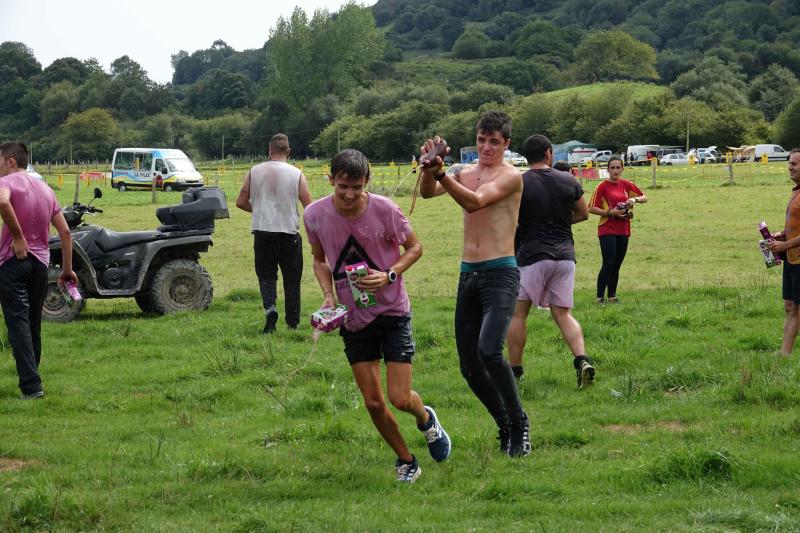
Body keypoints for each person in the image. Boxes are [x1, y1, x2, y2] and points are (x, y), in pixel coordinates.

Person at [303, 149, 451, 483]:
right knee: (372, 403)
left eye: (356, 186)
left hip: (392, 310)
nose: (350, 194)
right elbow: (319, 259)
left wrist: (389, 275)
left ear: (366, 181)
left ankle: (426, 418)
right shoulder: (314, 214)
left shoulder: (385, 209)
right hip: (354, 318)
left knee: (399, 398)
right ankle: (407, 460)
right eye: (343, 186)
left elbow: (415, 248)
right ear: (331, 180)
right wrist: (328, 294)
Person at [419, 110, 530, 458]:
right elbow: (426, 193)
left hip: (501, 272)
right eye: (482, 140)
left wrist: (441, 173)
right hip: (468, 273)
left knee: (488, 351)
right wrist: (428, 164)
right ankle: (505, 425)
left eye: (494, 142)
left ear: (506, 144)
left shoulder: (511, 176)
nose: (486, 147)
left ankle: (520, 425)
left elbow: (475, 201)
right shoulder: (462, 172)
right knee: (468, 365)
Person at [506, 134, 594, 388]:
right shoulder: (567, 179)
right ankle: (581, 360)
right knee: (563, 313)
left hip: (530, 255)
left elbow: (511, 219)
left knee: (518, 314)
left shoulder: (519, 183)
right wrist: (560, 222)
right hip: (565, 256)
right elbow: (584, 213)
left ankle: (515, 373)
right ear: (548, 153)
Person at [0, 141, 77, 399]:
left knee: (18, 324)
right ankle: (33, 377)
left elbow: (2, 202)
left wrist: (18, 236)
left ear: (10, 161)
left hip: (13, 261)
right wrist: (67, 269)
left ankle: (32, 387)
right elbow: (66, 233)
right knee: (33, 323)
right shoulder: (46, 188)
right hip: (41, 266)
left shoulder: (7, 183)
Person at [236, 134, 312, 333]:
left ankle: (270, 308)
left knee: (267, 276)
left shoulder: (254, 171)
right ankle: (293, 323)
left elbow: (241, 202)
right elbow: (309, 207)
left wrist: (261, 209)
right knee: (292, 278)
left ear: (269, 150)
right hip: (288, 233)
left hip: (263, 233)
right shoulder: (297, 174)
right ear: (288, 151)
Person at [588, 156, 648, 303]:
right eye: (612, 168)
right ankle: (599, 297)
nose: (615, 170)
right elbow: (590, 208)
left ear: (622, 169)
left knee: (617, 264)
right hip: (607, 228)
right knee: (608, 262)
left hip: (623, 228)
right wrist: (610, 213)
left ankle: (612, 296)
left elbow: (644, 197)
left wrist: (633, 200)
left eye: (618, 167)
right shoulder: (602, 186)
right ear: (608, 169)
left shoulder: (626, 184)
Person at [768, 149, 800, 356]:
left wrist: (785, 245)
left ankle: (784, 354)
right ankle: (784, 354)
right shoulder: (796, 192)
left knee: (797, 309)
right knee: (789, 306)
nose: (790, 167)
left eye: (795, 164)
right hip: (791, 258)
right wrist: (781, 235)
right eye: (790, 163)